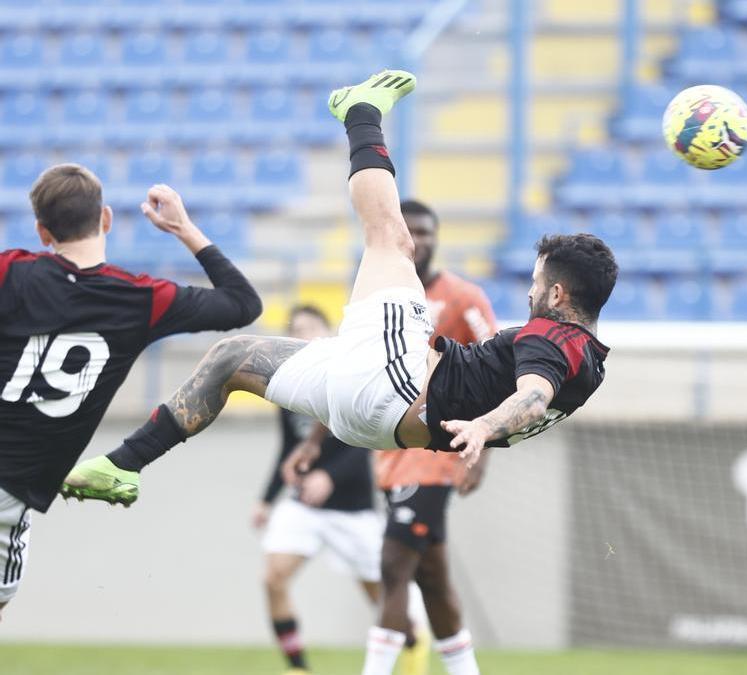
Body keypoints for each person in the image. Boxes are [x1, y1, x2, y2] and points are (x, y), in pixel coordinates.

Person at [61, 73, 617, 672]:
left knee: (391, 239)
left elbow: (533, 395)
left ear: (558, 293)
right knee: (231, 359)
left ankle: (362, 114)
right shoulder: (590, 362)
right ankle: (122, 465)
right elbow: (538, 394)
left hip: (399, 379)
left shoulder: (554, 339)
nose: (530, 290)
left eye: (537, 283)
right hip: (370, 417)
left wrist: (482, 428)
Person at [0, 166, 261, 618]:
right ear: (105, 219)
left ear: (43, 232)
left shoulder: (10, 271)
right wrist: (184, 228)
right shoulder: (141, 298)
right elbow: (243, 303)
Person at [362, 199, 498, 675]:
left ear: (437, 238)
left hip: (435, 455)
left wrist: (482, 454)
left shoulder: (463, 298)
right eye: (410, 231)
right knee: (433, 579)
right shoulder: (383, 297)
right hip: (392, 453)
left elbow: (496, 371)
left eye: (426, 232)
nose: (418, 241)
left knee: (393, 565)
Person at [253, 305, 382, 675]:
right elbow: (287, 449)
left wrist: (330, 477)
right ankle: (298, 668)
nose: (304, 334)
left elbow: (366, 441)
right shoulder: (287, 389)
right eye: (296, 329)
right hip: (303, 507)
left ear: (330, 333)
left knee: (386, 604)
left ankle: (411, 655)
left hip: (353, 509)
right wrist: (266, 499)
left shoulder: (350, 377)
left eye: (312, 327)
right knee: (273, 577)